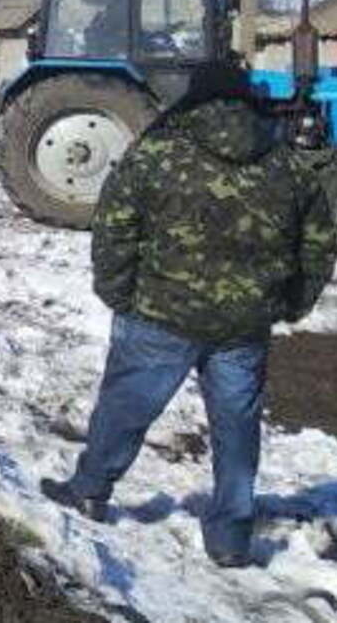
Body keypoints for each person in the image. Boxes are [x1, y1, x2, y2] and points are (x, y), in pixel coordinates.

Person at [40, 61, 336, 567]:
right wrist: (293, 302)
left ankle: (90, 489)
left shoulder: (157, 152)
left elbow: (115, 226)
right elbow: (318, 243)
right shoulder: (287, 164)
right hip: (244, 326)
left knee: (126, 408)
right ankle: (231, 537)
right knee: (237, 427)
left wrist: (117, 292)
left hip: (160, 315)